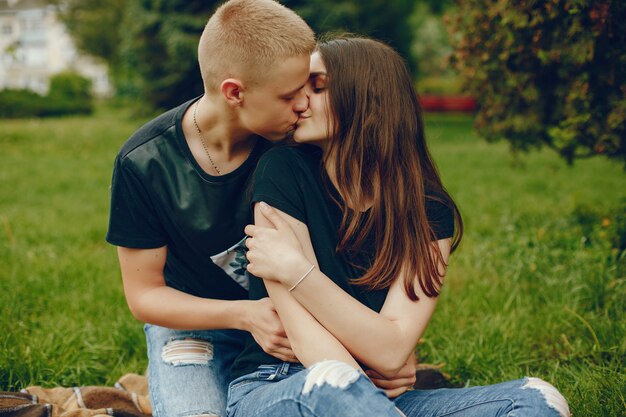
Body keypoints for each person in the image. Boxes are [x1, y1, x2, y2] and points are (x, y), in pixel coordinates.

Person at [228, 36, 571, 417]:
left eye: (318, 86)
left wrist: (296, 271)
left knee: (535, 401)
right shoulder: (282, 171)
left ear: (368, 100)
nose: (299, 102)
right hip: (278, 386)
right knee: (335, 388)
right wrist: (366, 375)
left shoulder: (428, 209)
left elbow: (391, 352)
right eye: (296, 88)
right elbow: (309, 338)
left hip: (383, 400)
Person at [105, 1, 315, 416]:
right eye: (290, 95)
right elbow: (144, 295)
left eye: (308, 88)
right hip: (194, 324)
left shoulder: (299, 143)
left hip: (293, 322)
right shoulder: (143, 162)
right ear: (235, 92)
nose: (305, 104)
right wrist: (246, 315)